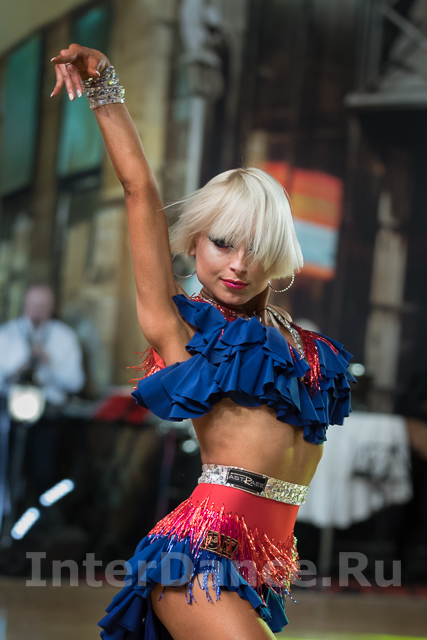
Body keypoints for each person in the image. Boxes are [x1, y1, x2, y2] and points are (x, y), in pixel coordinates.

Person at [51, 45, 355, 640]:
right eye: (222, 242)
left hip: (262, 570)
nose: (238, 264)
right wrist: (105, 86)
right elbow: (139, 190)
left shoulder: (308, 350)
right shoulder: (184, 330)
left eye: (255, 246)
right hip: (195, 556)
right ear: (193, 243)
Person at [0, 284, 85, 495]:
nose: (37, 311)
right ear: (25, 305)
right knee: (8, 471)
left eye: (43, 306)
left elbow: (76, 383)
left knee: (44, 473)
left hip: (48, 417)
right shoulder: (8, 334)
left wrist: (50, 362)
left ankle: (41, 512)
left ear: (52, 308)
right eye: (33, 305)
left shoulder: (64, 337)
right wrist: (17, 369)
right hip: (10, 415)